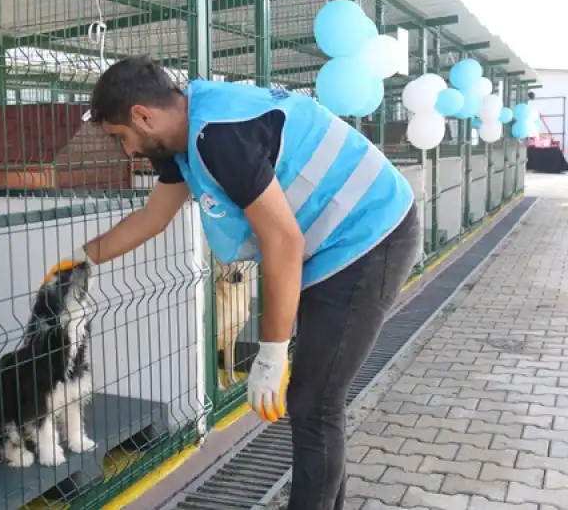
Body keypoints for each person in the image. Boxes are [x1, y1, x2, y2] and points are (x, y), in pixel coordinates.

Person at [46, 55, 421, 510]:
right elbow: (152, 218)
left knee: (314, 403)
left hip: (372, 234)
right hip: (333, 244)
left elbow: (282, 241)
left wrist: (270, 352)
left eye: (121, 138)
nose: (127, 151)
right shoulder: (185, 136)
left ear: (142, 115)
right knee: (314, 403)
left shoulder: (219, 136)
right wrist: (81, 259)